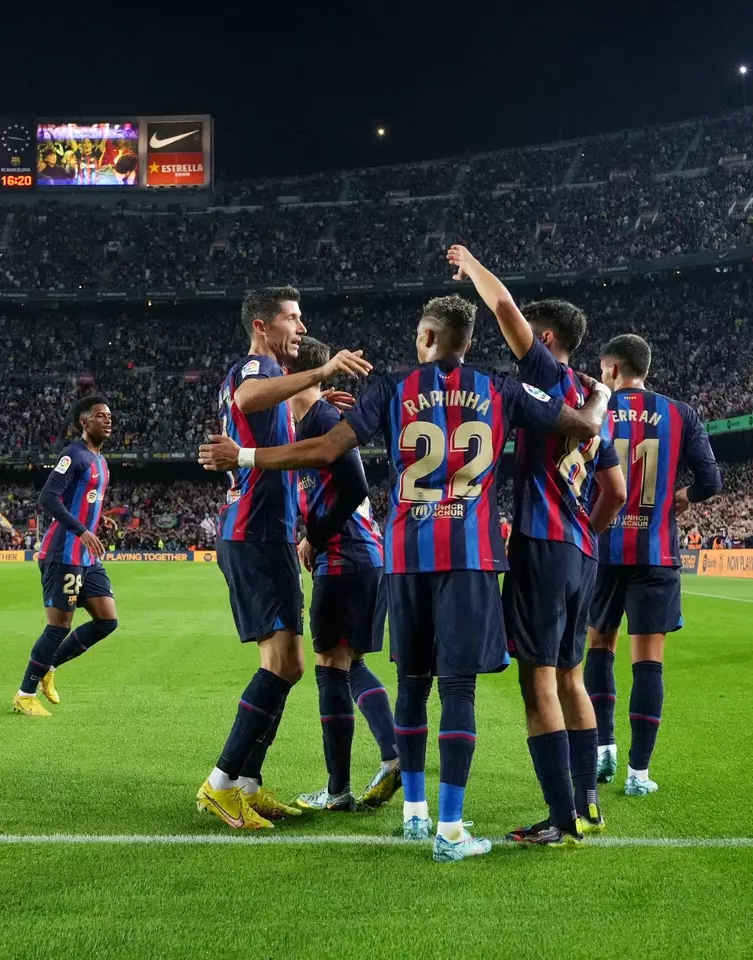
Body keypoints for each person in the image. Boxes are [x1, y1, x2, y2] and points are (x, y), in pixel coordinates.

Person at [200, 294, 609, 861]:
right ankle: (450, 828)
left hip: (405, 557)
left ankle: (414, 813)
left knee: (413, 683)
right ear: (467, 341)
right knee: (458, 689)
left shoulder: (391, 390)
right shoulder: (502, 389)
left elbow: (322, 448)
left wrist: (244, 456)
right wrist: (605, 393)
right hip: (469, 558)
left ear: (425, 337)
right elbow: (583, 423)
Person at [449, 245, 627, 846]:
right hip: (581, 553)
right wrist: (586, 536)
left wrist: (470, 263)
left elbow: (500, 305)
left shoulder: (547, 378)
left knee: (540, 683)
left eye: (529, 331)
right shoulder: (589, 396)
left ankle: (560, 818)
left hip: (542, 545)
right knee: (574, 679)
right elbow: (617, 491)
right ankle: (587, 804)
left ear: (545, 336)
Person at [195, 286, 373, 832]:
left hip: (265, 533)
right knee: (283, 665)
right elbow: (249, 399)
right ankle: (222, 785)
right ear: (261, 325)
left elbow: (266, 421)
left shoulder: (273, 382)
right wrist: (321, 375)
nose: (301, 327)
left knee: (288, 665)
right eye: (292, 319)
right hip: (254, 533)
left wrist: (314, 409)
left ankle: (246, 784)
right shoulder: (252, 366)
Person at [584, 334, 722, 798]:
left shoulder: (595, 408)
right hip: (657, 553)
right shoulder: (681, 413)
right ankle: (638, 773)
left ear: (612, 369)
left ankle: (602, 746)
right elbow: (711, 480)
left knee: (599, 646)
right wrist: (681, 496)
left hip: (602, 548)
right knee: (648, 662)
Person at [277, 337, 401, 814]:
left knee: (331, 667)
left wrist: (314, 535)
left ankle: (338, 790)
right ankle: (393, 760)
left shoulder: (326, 421)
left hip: (344, 555)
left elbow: (354, 485)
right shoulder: (313, 420)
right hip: (359, 556)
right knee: (349, 665)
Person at [14, 396, 121, 717]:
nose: (108, 420)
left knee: (107, 621)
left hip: (87, 557)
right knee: (58, 627)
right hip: (64, 553)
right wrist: (82, 530)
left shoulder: (100, 461)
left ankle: (50, 665)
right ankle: (24, 694)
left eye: (110, 416)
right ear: (84, 422)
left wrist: (97, 520)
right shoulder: (73, 455)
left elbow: (82, 501)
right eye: (100, 416)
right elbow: (48, 496)